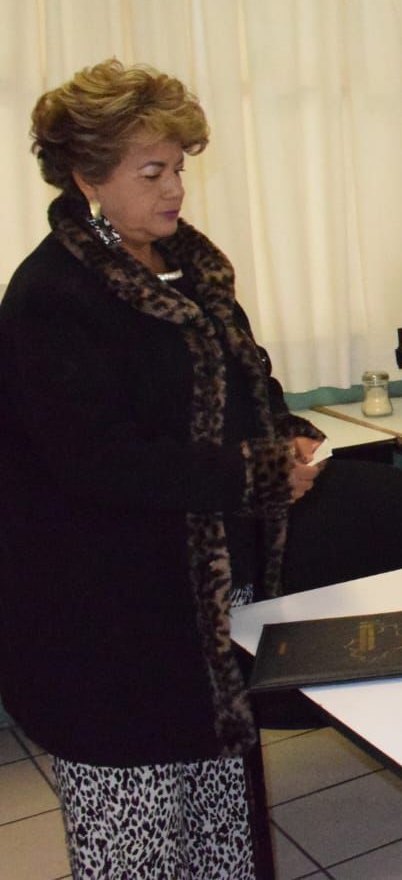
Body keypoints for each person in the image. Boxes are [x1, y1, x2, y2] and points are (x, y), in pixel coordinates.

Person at [0, 60, 325, 878]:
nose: (176, 188)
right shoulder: (51, 296)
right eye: (152, 171)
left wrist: (283, 433)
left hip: (202, 607)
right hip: (109, 621)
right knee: (136, 842)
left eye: (179, 166)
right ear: (88, 177)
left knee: (221, 831)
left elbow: (245, 376)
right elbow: (100, 462)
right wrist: (255, 475)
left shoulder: (190, 269)